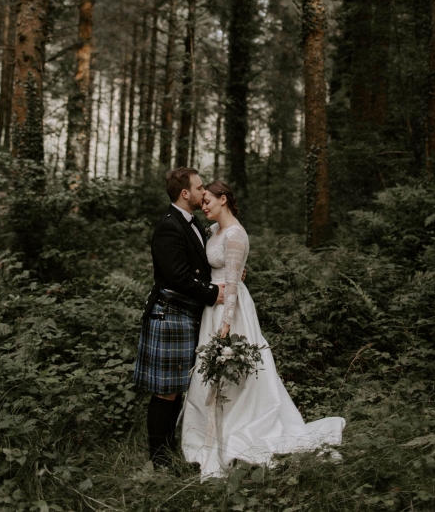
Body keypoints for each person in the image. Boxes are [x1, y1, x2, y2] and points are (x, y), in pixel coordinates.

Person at [181, 180, 346, 479]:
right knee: (210, 371)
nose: (203, 205)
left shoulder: (235, 234)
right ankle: (207, 434)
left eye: (208, 200)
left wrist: (226, 325)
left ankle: (240, 431)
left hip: (229, 310)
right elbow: (220, 270)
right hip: (212, 306)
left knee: (235, 371)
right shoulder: (214, 231)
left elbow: (232, 284)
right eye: (202, 201)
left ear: (224, 199)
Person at [133, 167, 225, 468]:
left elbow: (201, 263)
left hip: (184, 313)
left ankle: (169, 452)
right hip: (170, 313)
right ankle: (159, 460)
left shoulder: (192, 222)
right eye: (199, 188)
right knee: (166, 392)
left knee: (176, 390)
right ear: (185, 193)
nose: (203, 192)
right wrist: (213, 293)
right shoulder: (169, 226)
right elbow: (177, 277)